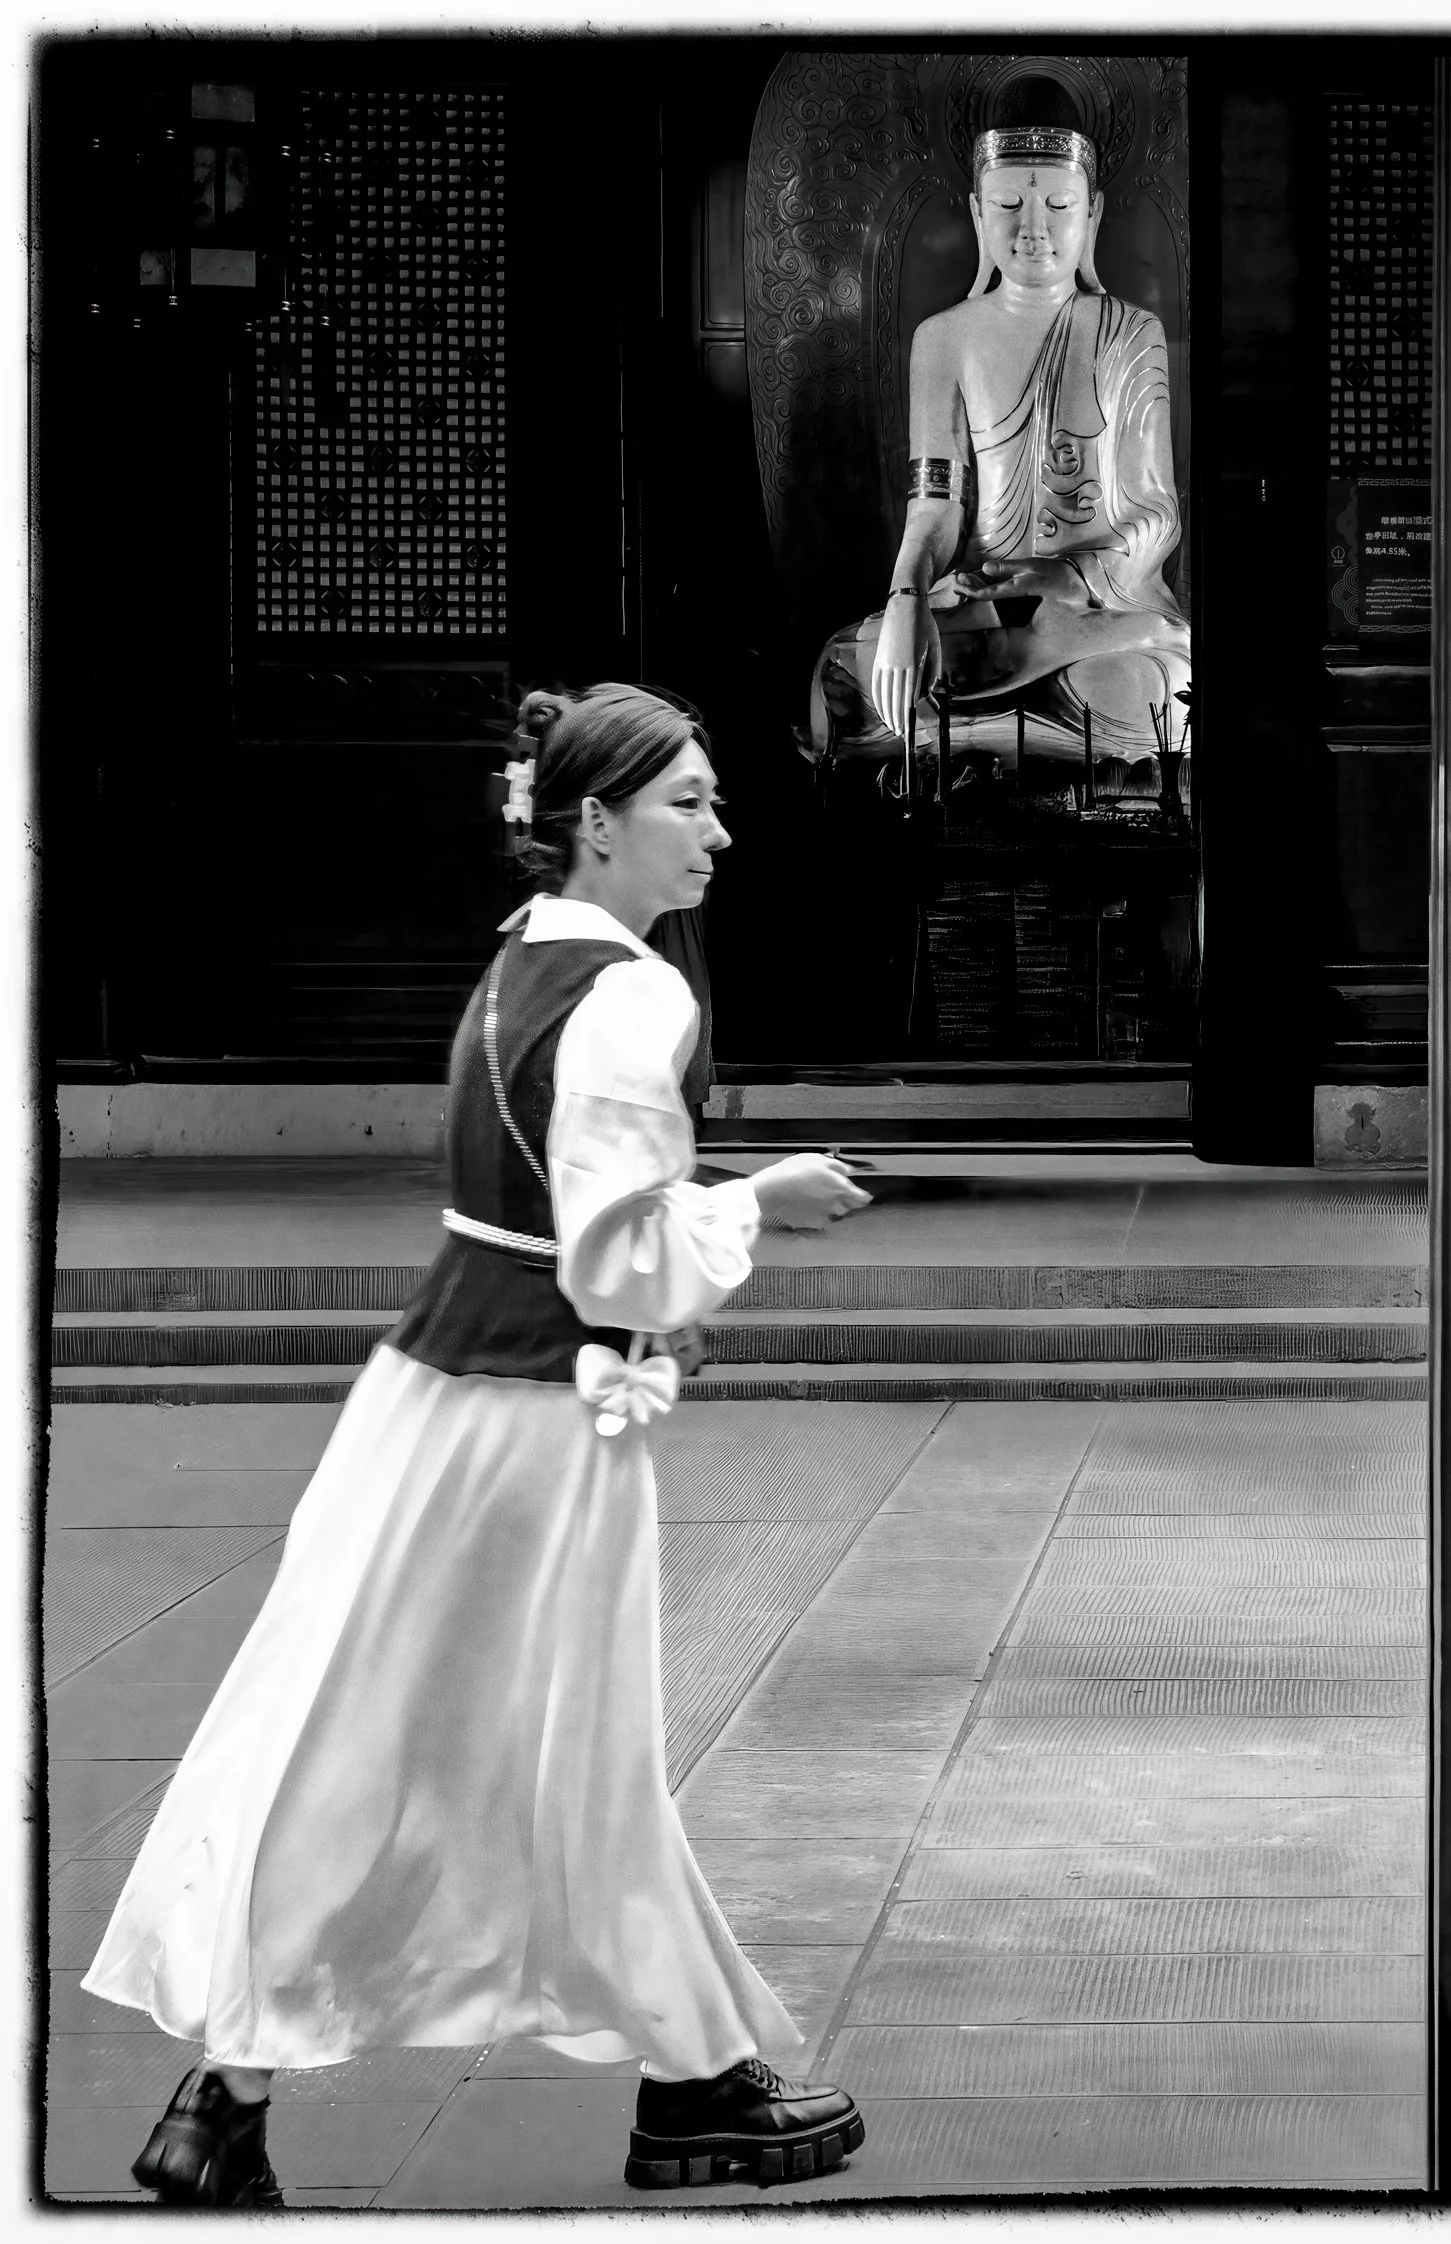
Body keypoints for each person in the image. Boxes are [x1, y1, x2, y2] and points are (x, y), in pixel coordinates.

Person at [85, 684, 876, 2204]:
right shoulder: (633, 997)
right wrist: (755, 1202)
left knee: (370, 1727)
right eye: (688, 803)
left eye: (712, 801)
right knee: (546, 1746)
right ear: (595, 823)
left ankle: (245, 2095)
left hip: (432, 1404)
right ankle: (681, 2081)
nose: (718, 830)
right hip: (534, 1426)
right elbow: (613, 1253)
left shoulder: (524, 961)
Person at [809, 83, 1190, 790]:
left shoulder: (1131, 333)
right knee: (845, 669)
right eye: (1010, 204)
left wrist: (1069, 579)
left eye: (1059, 206)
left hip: (1094, 610)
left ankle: (963, 748)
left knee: (1165, 682)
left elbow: (1156, 515)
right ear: (979, 213)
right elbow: (934, 508)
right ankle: (1048, 754)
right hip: (983, 604)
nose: (1033, 229)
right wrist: (906, 602)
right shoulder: (944, 339)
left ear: (1093, 213)